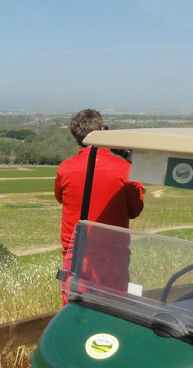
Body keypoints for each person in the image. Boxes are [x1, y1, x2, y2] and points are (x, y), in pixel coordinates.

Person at [55, 109, 144, 302]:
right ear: (103, 131)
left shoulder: (65, 169)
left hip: (75, 257)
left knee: (75, 311)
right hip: (113, 258)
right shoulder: (125, 170)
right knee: (111, 310)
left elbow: (60, 197)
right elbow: (136, 209)